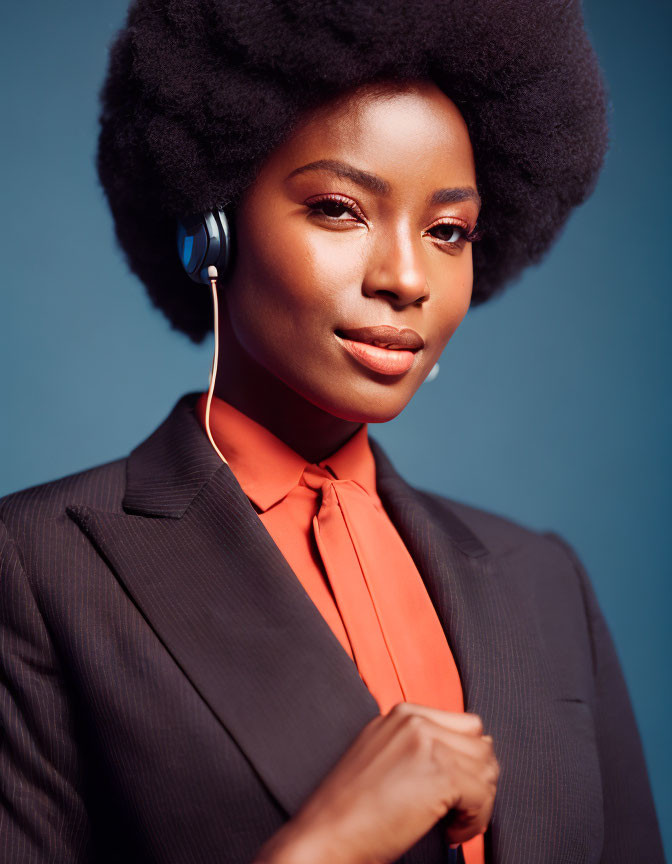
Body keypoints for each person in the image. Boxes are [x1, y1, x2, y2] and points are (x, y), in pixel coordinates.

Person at [0, 0, 664, 862]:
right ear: (213, 237)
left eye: (449, 231)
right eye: (342, 210)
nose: (407, 277)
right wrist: (329, 845)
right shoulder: (36, 567)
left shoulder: (544, 581)